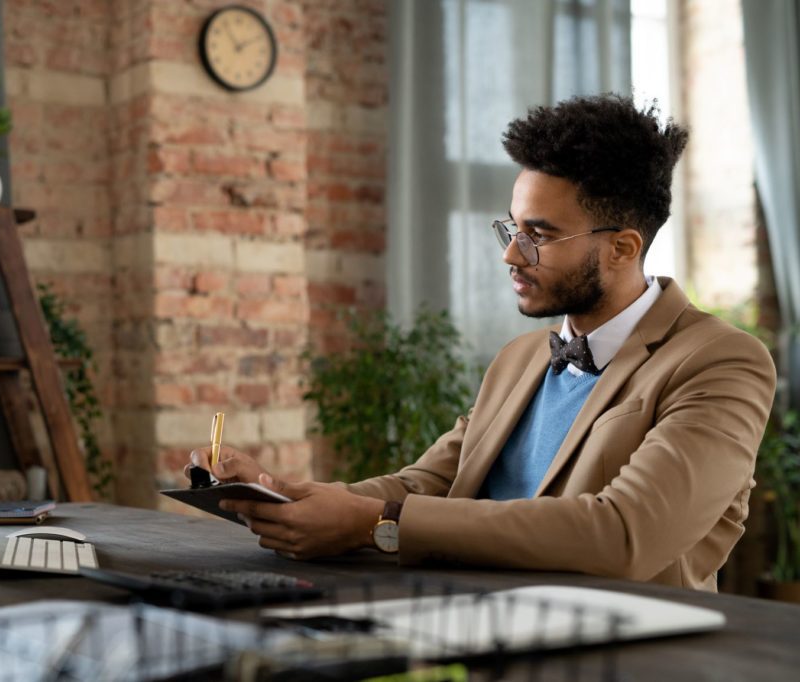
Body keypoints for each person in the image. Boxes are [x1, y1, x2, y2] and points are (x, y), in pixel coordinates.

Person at [189, 94, 777, 592]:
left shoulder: (720, 361)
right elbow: (428, 485)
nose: (511, 254)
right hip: (477, 632)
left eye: (538, 235)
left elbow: (625, 534)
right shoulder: (519, 359)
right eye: (512, 228)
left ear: (623, 248)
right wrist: (284, 496)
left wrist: (373, 523)